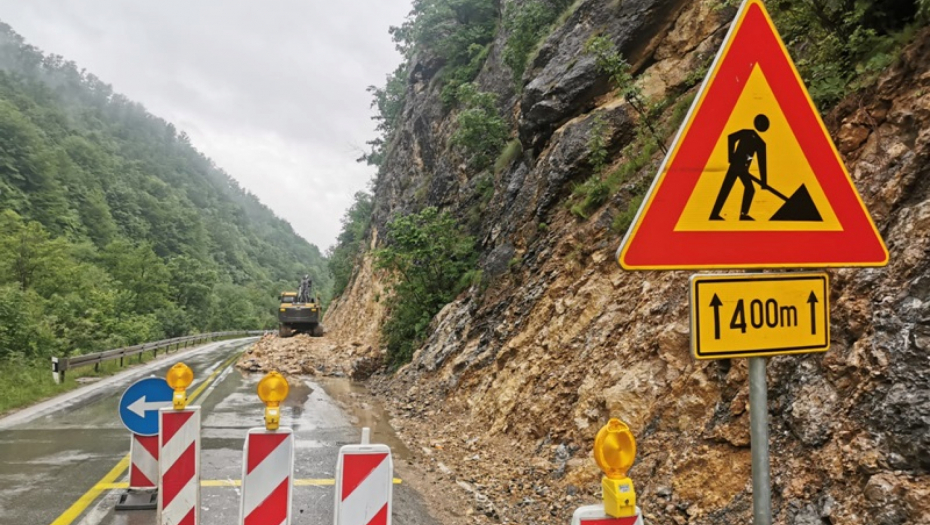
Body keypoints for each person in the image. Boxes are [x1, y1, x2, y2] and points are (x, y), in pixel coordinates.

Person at [709, 114, 769, 221]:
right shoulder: (749, 134)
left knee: (742, 189)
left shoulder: (759, 142)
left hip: (741, 168)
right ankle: (738, 215)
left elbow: (762, 162)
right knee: (729, 189)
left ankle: (741, 215)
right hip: (737, 166)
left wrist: (764, 182)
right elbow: (731, 138)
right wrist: (731, 157)